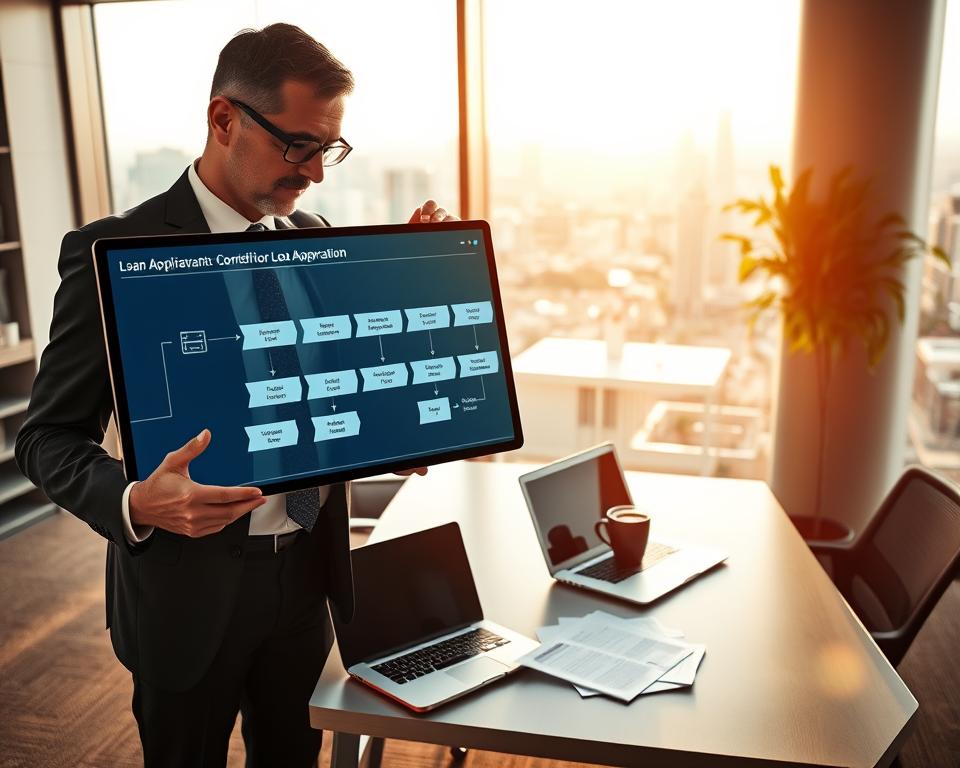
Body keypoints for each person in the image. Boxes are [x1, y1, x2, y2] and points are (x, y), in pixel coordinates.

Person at [15, 23, 456, 768]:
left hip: (308, 578)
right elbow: (45, 438)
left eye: (328, 149)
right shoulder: (115, 251)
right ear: (224, 119)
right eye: (298, 145)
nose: (314, 174)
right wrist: (134, 501)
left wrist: (394, 398)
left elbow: (325, 390)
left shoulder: (314, 235)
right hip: (184, 594)